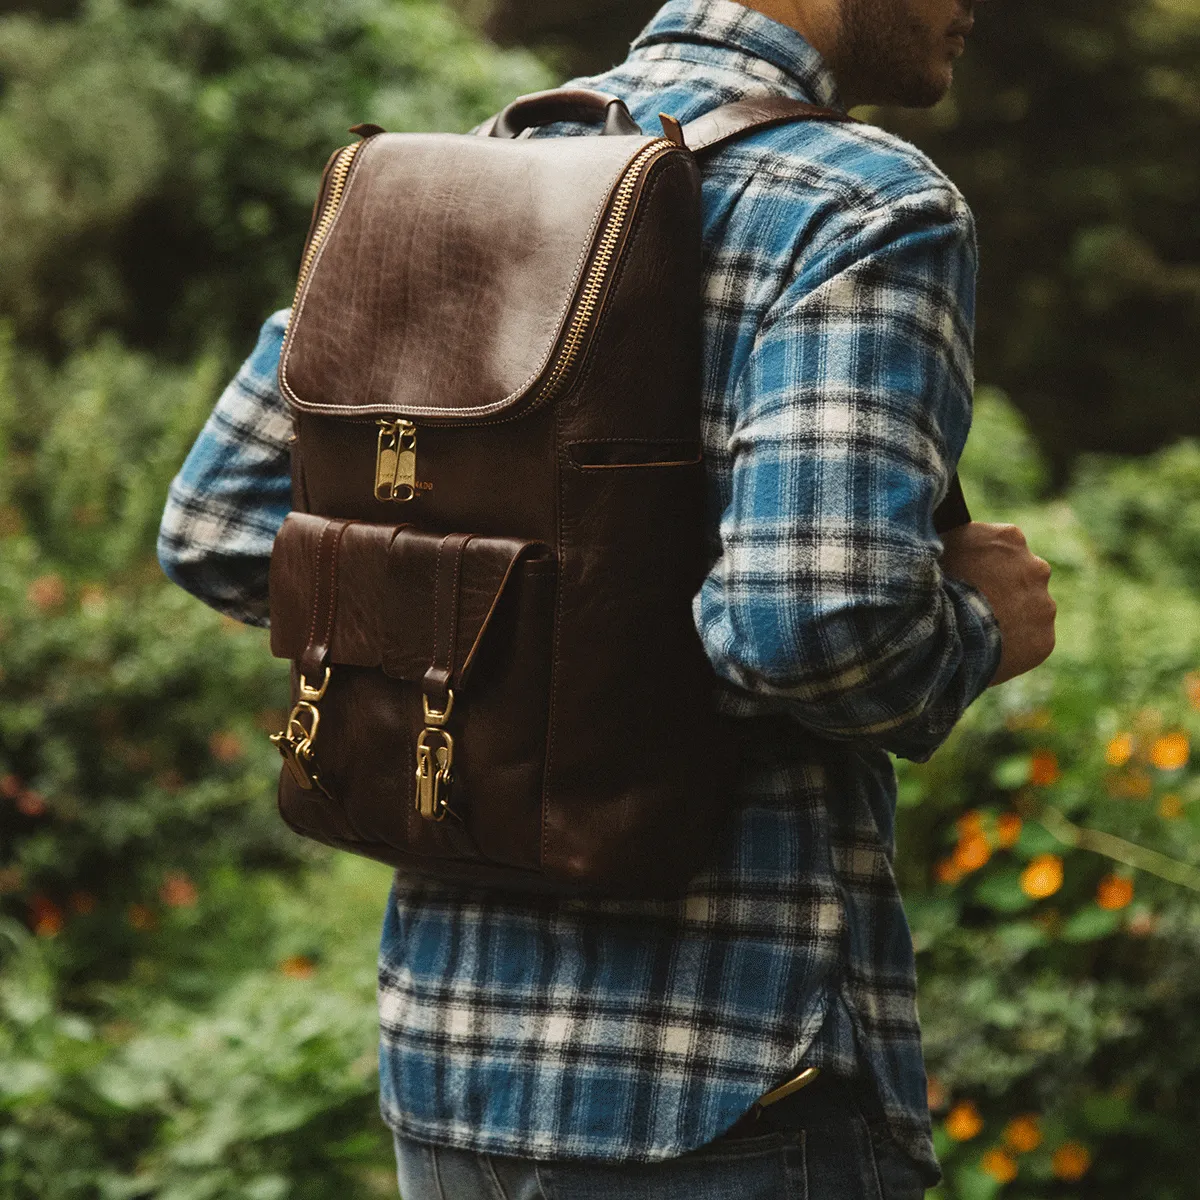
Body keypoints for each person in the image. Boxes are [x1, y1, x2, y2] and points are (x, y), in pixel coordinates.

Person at [157, 0, 1056, 1195]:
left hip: (447, 1065)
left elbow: (219, 525)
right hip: (728, 1079)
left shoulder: (465, 175)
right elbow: (816, 624)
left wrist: (502, 641)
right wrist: (981, 630)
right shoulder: (861, 205)